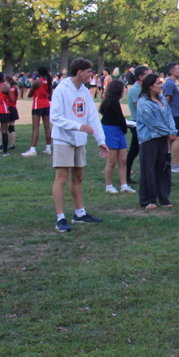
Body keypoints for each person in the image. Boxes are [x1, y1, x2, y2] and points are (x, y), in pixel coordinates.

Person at [50, 58, 109, 232]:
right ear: (79, 72)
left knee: (78, 178)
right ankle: (60, 218)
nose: (91, 75)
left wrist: (100, 141)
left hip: (79, 140)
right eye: (89, 71)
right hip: (63, 139)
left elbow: (92, 117)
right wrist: (77, 126)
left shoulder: (84, 91)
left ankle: (79, 213)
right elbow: (55, 117)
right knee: (61, 178)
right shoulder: (61, 89)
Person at [136, 73, 176, 209]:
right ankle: (148, 200)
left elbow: (169, 116)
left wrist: (172, 130)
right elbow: (152, 122)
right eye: (158, 83)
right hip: (149, 139)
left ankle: (164, 198)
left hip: (163, 138)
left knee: (163, 168)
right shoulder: (143, 102)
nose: (161, 86)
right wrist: (168, 132)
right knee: (149, 169)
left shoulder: (162, 99)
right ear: (150, 86)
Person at [99, 80, 135, 195]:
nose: (124, 90)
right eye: (123, 88)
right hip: (111, 131)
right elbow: (119, 118)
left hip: (119, 131)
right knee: (111, 161)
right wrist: (126, 127)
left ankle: (124, 185)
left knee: (123, 160)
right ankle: (109, 185)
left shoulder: (115, 101)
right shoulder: (112, 102)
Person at [161, 64, 179, 173]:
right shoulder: (169, 83)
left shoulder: (171, 83)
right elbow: (166, 100)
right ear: (172, 71)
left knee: (172, 139)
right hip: (173, 115)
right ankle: (176, 165)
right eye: (178, 69)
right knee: (178, 138)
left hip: (174, 115)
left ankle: (167, 163)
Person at [21, 66, 53, 156]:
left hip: (37, 104)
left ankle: (33, 149)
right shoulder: (48, 81)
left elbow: (29, 94)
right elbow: (50, 96)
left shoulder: (37, 82)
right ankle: (48, 148)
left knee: (35, 127)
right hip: (46, 104)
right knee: (47, 127)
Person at [126, 66, 150, 184]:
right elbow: (141, 108)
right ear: (140, 77)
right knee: (136, 151)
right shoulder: (135, 90)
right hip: (138, 124)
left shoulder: (145, 88)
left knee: (137, 150)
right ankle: (126, 176)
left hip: (145, 123)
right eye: (148, 74)